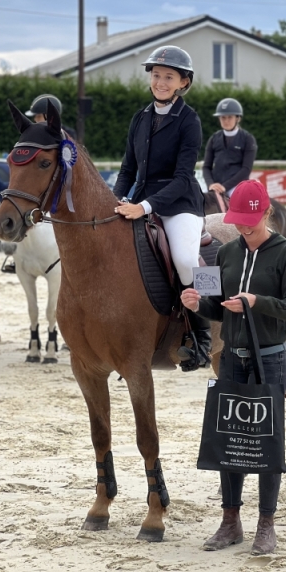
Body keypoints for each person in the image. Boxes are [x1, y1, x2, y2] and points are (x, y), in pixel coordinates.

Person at [181, 179, 286, 554]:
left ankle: (266, 524)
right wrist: (195, 304)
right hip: (232, 358)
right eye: (238, 220)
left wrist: (256, 301)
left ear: (267, 213)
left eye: (250, 220)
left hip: (270, 357)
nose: (242, 226)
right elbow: (214, 304)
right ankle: (230, 521)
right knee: (228, 442)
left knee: (268, 444)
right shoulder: (226, 252)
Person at [112, 45, 211, 369]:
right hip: (141, 198)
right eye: (156, 76)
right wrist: (115, 201)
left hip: (180, 204)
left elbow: (183, 178)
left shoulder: (190, 121)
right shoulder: (140, 118)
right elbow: (128, 169)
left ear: (184, 82)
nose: (161, 82)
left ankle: (201, 335)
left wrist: (145, 206)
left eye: (169, 77)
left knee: (184, 259)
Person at [202, 98, 257, 197]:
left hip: (237, 185)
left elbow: (246, 169)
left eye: (230, 117)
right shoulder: (214, 139)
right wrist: (210, 184)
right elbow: (206, 167)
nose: (226, 121)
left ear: (238, 118)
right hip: (215, 185)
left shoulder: (248, 139)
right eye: (223, 117)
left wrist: (225, 186)